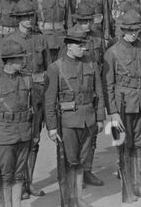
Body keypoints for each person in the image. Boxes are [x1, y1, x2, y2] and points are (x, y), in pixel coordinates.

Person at [44, 24, 103, 207]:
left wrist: (100, 118)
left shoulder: (91, 64)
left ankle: (78, 198)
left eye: (84, 45)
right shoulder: (56, 68)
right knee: (69, 161)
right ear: (69, 45)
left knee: (80, 161)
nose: (83, 48)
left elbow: (99, 93)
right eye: (79, 45)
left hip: (88, 119)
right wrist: (52, 128)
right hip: (68, 122)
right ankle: (68, 199)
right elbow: (49, 100)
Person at [0, 39, 43, 207]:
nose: (23, 61)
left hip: (24, 133)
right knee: (6, 176)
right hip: (5, 136)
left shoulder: (28, 80)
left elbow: (35, 109)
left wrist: (35, 133)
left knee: (19, 174)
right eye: (19, 58)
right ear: (9, 61)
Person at [102, 9, 141, 202]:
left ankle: (137, 185)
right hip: (122, 105)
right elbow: (108, 86)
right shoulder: (112, 53)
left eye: (136, 29)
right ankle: (127, 189)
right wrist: (113, 113)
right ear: (122, 29)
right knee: (124, 146)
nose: (133, 33)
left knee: (139, 144)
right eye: (129, 29)